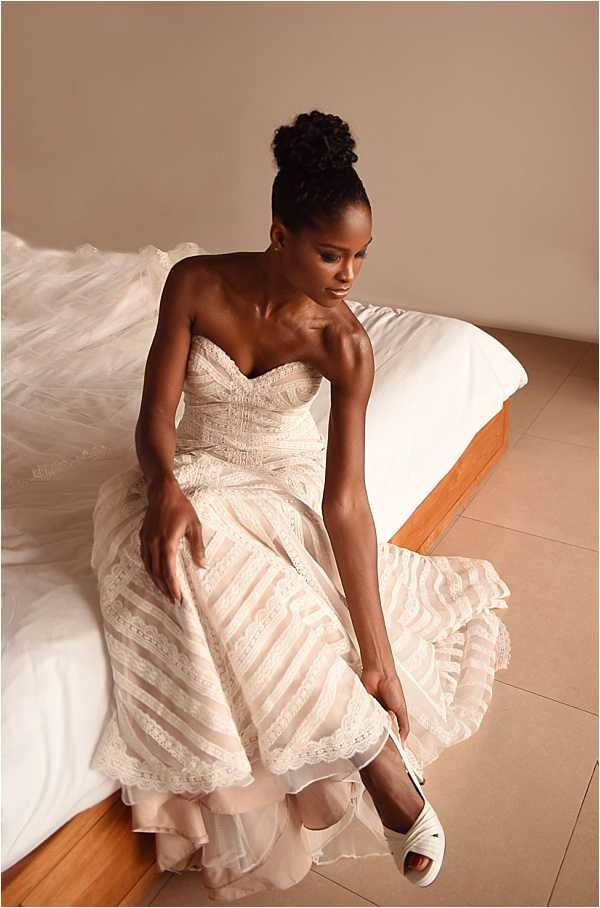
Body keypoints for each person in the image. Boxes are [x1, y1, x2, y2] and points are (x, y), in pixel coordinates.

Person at [90, 109, 512, 901]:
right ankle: (378, 761)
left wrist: (378, 656)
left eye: (360, 256)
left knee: (240, 572)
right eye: (330, 253)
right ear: (278, 235)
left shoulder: (346, 343)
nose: (349, 276)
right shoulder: (196, 283)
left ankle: (378, 760)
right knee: (175, 550)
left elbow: (346, 503)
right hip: (192, 468)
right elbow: (154, 417)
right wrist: (166, 487)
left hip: (279, 485)